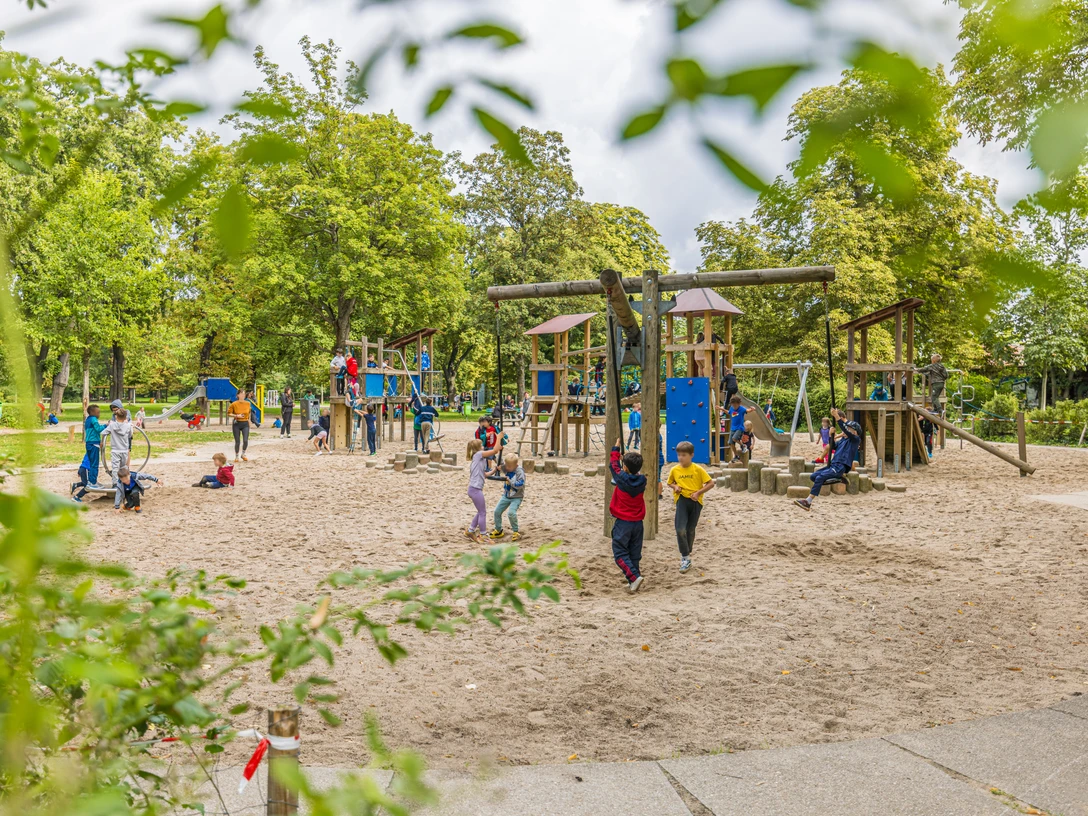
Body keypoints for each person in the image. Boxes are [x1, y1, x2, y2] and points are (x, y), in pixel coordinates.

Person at [794, 408, 862, 511]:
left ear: (855, 432)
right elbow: (832, 446)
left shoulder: (855, 440)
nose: (846, 430)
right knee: (813, 476)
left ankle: (808, 501)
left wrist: (837, 417)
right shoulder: (842, 440)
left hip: (840, 466)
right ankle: (838, 478)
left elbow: (846, 431)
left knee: (820, 478)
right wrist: (831, 436)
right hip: (833, 465)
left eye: (849, 428)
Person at [667, 441, 714, 574]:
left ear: (691, 455)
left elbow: (710, 483)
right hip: (681, 500)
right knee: (680, 529)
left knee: (690, 529)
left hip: (695, 502)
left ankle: (687, 552)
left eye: (684, 455)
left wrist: (698, 493)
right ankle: (685, 557)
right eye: (679, 455)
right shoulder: (674, 470)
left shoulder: (698, 469)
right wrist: (675, 487)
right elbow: (670, 483)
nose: (681, 458)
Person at [609, 438, 647, 593]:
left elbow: (613, 465)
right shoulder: (642, 480)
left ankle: (634, 576)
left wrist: (616, 448)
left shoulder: (621, 478)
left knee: (619, 552)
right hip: (638, 523)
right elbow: (626, 470)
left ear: (624, 467)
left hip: (624, 522)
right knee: (634, 553)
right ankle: (633, 580)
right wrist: (625, 463)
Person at [465, 436, 503, 545]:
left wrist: (494, 470)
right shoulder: (478, 455)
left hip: (474, 489)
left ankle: (471, 530)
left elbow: (485, 474)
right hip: (475, 489)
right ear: (478, 448)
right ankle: (483, 535)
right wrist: (499, 438)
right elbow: (494, 451)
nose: (483, 446)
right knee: (482, 512)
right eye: (481, 445)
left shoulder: (479, 459)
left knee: (480, 511)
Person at [490, 453, 526, 542]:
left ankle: (516, 532)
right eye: (506, 466)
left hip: (517, 497)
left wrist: (510, 481)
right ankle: (498, 530)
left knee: (511, 513)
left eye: (509, 467)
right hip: (506, 496)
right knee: (497, 511)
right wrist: (498, 465)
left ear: (516, 465)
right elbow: (501, 464)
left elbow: (520, 484)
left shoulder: (519, 472)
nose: (507, 468)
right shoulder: (507, 466)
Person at [103, 405, 133, 485]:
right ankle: (125, 481)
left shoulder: (112, 425)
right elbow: (130, 435)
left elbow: (104, 432)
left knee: (115, 468)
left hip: (115, 450)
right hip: (124, 450)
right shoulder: (128, 426)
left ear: (116, 417)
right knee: (124, 467)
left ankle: (115, 483)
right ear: (125, 417)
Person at [82, 404, 106, 488]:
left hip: (89, 443)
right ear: (92, 412)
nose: (99, 414)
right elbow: (98, 429)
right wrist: (106, 425)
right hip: (94, 444)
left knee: (92, 463)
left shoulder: (88, 419)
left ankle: (92, 481)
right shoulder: (93, 419)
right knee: (95, 464)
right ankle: (92, 482)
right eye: (98, 412)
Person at [228, 390, 252, 462]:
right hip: (237, 423)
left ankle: (243, 454)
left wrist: (249, 420)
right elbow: (229, 413)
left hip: (245, 423)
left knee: (245, 440)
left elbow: (249, 412)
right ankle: (236, 456)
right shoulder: (234, 404)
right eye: (241, 394)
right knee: (237, 441)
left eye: (244, 394)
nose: (243, 395)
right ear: (238, 395)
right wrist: (236, 415)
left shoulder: (248, 403)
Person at [726, 394, 748, 462]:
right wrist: (721, 409)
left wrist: (752, 409)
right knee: (731, 443)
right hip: (733, 428)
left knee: (734, 438)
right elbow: (729, 412)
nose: (734, 407)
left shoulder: (741, 409)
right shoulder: (731, 408)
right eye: (733, 405)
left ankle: (743, 446)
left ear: (739, 404)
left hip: (740, 428)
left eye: (735, 405)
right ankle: (736, 456)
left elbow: (747, 410)